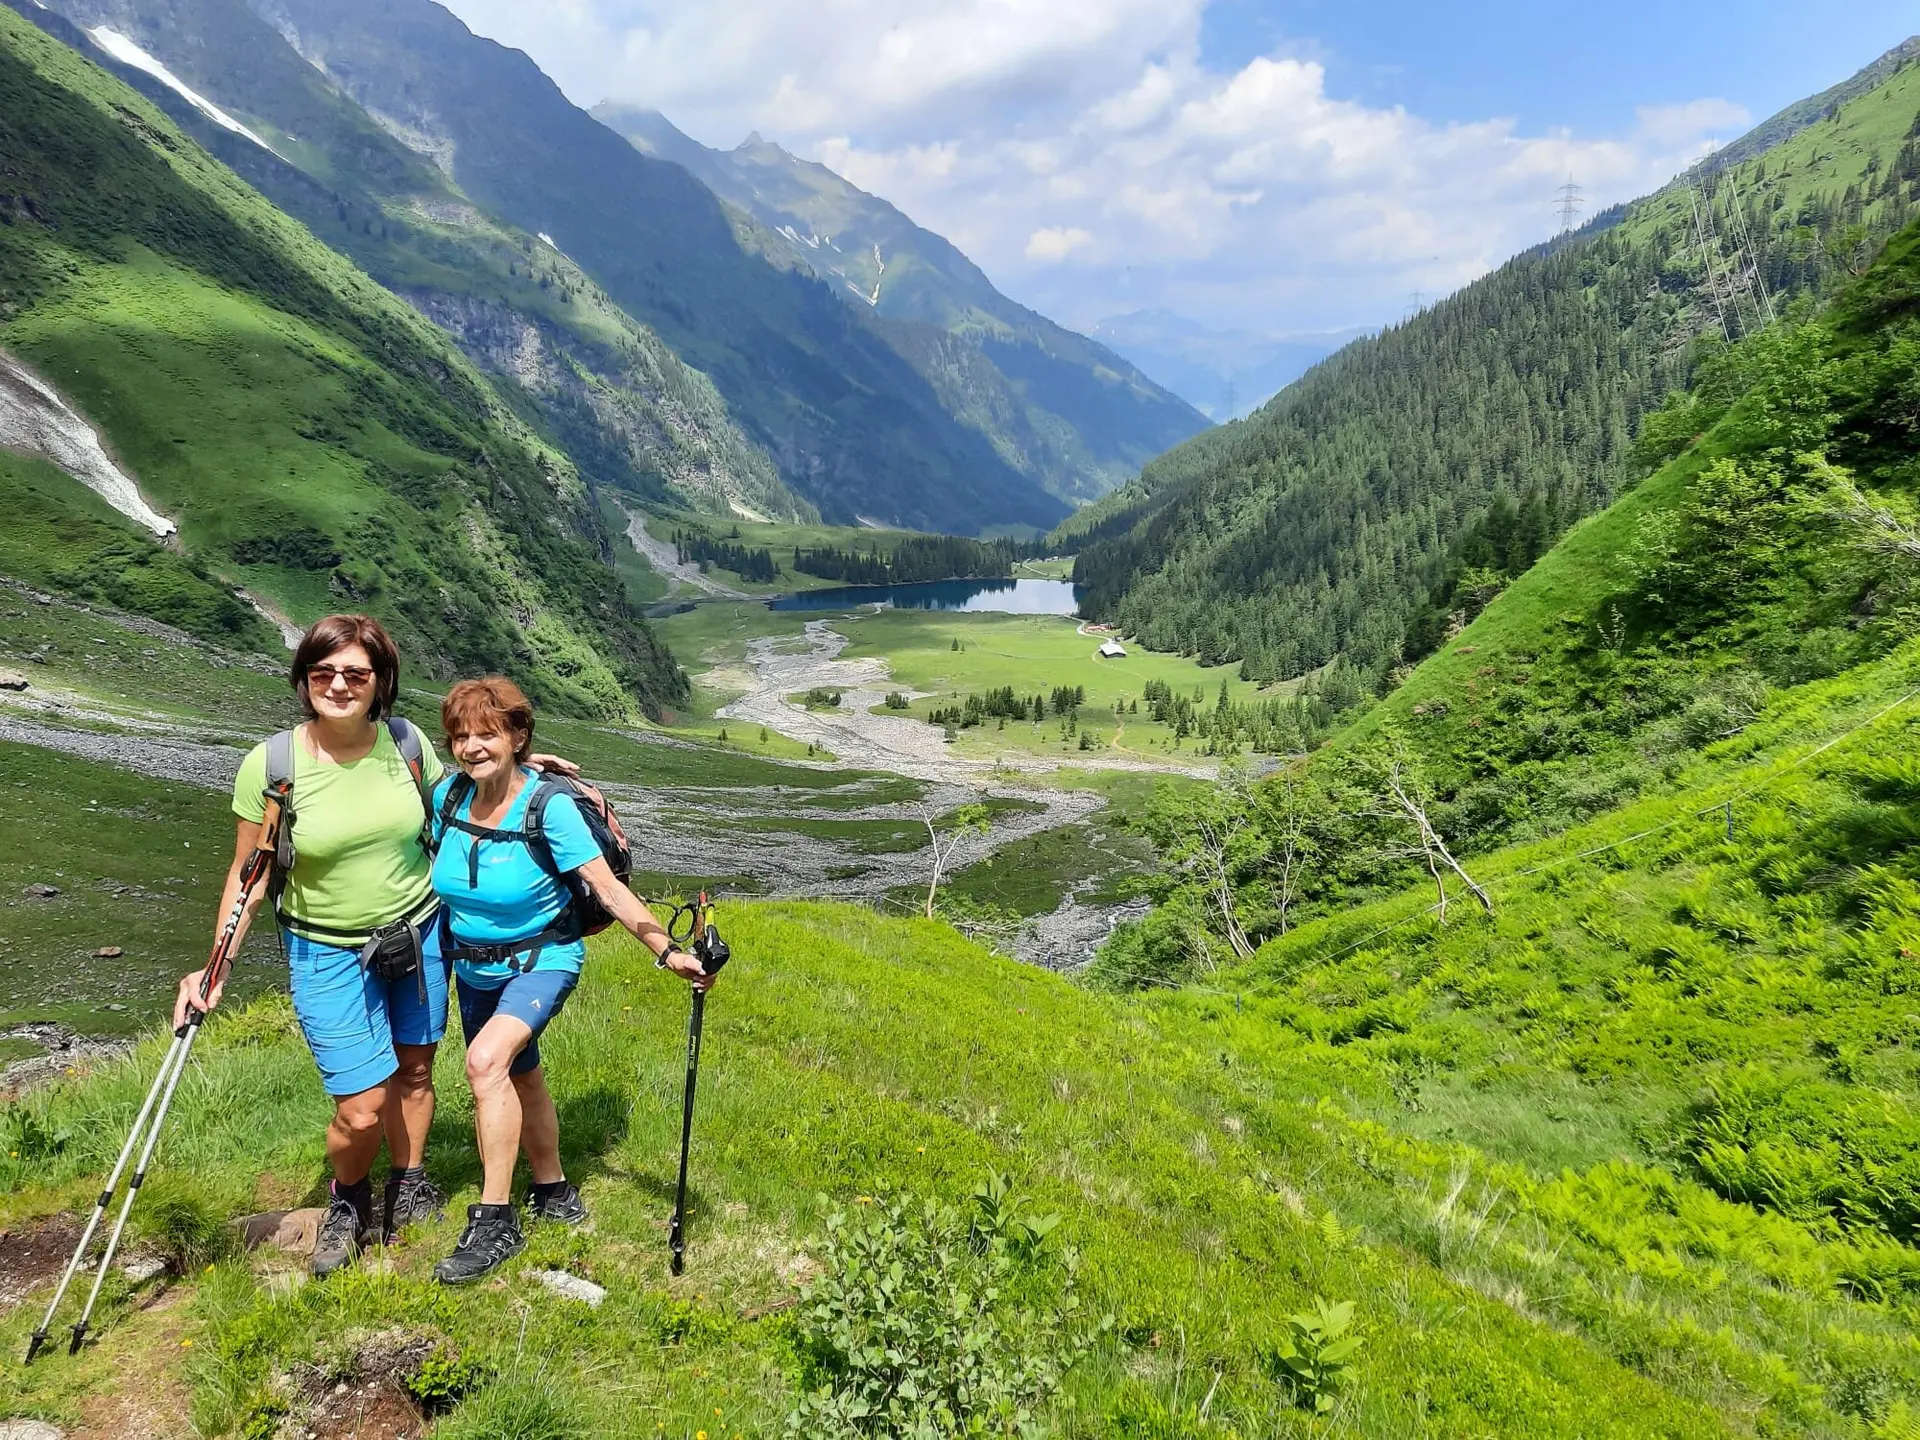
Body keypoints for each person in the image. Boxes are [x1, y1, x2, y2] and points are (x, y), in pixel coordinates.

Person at [174, 615, 573, 1277]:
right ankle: (349, 1198)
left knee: (416, 1070)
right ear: (304, 679)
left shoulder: (407, 743)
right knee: (360, 1108)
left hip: (419, 933)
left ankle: (408, 1181)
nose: (338, 684)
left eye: (355, 673)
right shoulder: (273, 766)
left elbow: (463, 791)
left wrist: (525, 768)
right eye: (322, 672)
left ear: (380, 681)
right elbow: (251, 871)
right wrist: (217, 965)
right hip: (324, 948)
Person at [428, 676, 711, 1285]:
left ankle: (494, 1219)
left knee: (484, 1064)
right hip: (473, 967)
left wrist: (667, 950)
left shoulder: (549, 807)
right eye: (461, 736)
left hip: (544, 960)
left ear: (518, 736)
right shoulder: (446, 798)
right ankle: (552, 1186)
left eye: (489, 734)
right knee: (518, 1072)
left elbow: (606, 887)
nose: (472, 747)